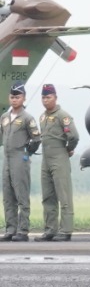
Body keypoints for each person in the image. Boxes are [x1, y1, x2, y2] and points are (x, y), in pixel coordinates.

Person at [37, 82, 77, 241]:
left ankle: (66, 230)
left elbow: (73, 136)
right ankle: (50, 230)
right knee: (48, 196)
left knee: (64, 195)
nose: (45, 100)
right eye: (43, 97)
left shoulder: (63, 116)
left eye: (48, 97)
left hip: (59, 157)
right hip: (45, 159)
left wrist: (69, 149)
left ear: (55, 97)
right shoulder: (42, 117)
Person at [1, 83, 31, 240]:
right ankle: (10, 229)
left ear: (24, 98)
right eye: (12, 97)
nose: (14, 100)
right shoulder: (4, 118)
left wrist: (27, 152)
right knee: (7, 195)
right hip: (7, 158)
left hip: (20, 157)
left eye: (17, 97)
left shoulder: (27, 118)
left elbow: (36, 138)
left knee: (21, 195)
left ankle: (23, 230)